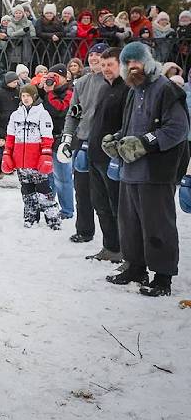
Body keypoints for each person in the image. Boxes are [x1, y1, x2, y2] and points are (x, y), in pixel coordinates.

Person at [102, 42, 189, 296]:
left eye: (136, 61)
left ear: (148, 61)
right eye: (128, 63)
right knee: (130, 223)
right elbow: (130, 128)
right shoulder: (133, 90)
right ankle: (136, 267)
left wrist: (144, 143)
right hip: (130, 172)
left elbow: (177, 130)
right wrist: (117, 140)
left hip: (156, 172)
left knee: (158, 225)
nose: (132, 67)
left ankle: (163, 277)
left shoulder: (166, 89)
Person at [58, 43, 108, 243]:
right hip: (83, 142)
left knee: (104, 194)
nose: (94, 58)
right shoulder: (82, 83)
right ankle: (84, 230)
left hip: (105, 144)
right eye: (92, 55)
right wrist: (67, 137)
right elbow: (74, 113)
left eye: (99, 55)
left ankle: (113, 241)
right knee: (82, 190)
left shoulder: (114, 81)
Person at [81, 47, 127, 263]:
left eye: (111, 64)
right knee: (100, 205)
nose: (106, 68)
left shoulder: (127, 90)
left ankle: (126, 251)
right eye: (104, 64)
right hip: (95, 156)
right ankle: (110, 247)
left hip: (113, 160)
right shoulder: (104, 89)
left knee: (117, 207)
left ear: (121, 65)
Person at [1, 84, 61, 229]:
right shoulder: (16, 115)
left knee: (44, 191)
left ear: (34, 97)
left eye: (28, 95)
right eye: (23, 96)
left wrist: (45, 154)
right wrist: (7, 154)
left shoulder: (42, 113)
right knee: (27, 191)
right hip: (21, 161)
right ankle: (30, 217)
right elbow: (10, 137)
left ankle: (53, 219)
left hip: (37, 160)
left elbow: (47, 136)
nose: (26, 98)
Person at [41, 64, 74, 221]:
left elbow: (61, 110)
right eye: (50, 76)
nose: (53, 80)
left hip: (61, 139)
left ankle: (67, 210)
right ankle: (49, 205)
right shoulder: (47, 91)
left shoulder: (70, 91)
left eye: (56, 76)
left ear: (64, 77)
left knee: (63, 177)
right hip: (47, 138)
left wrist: (49, 93)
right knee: (47, 176)